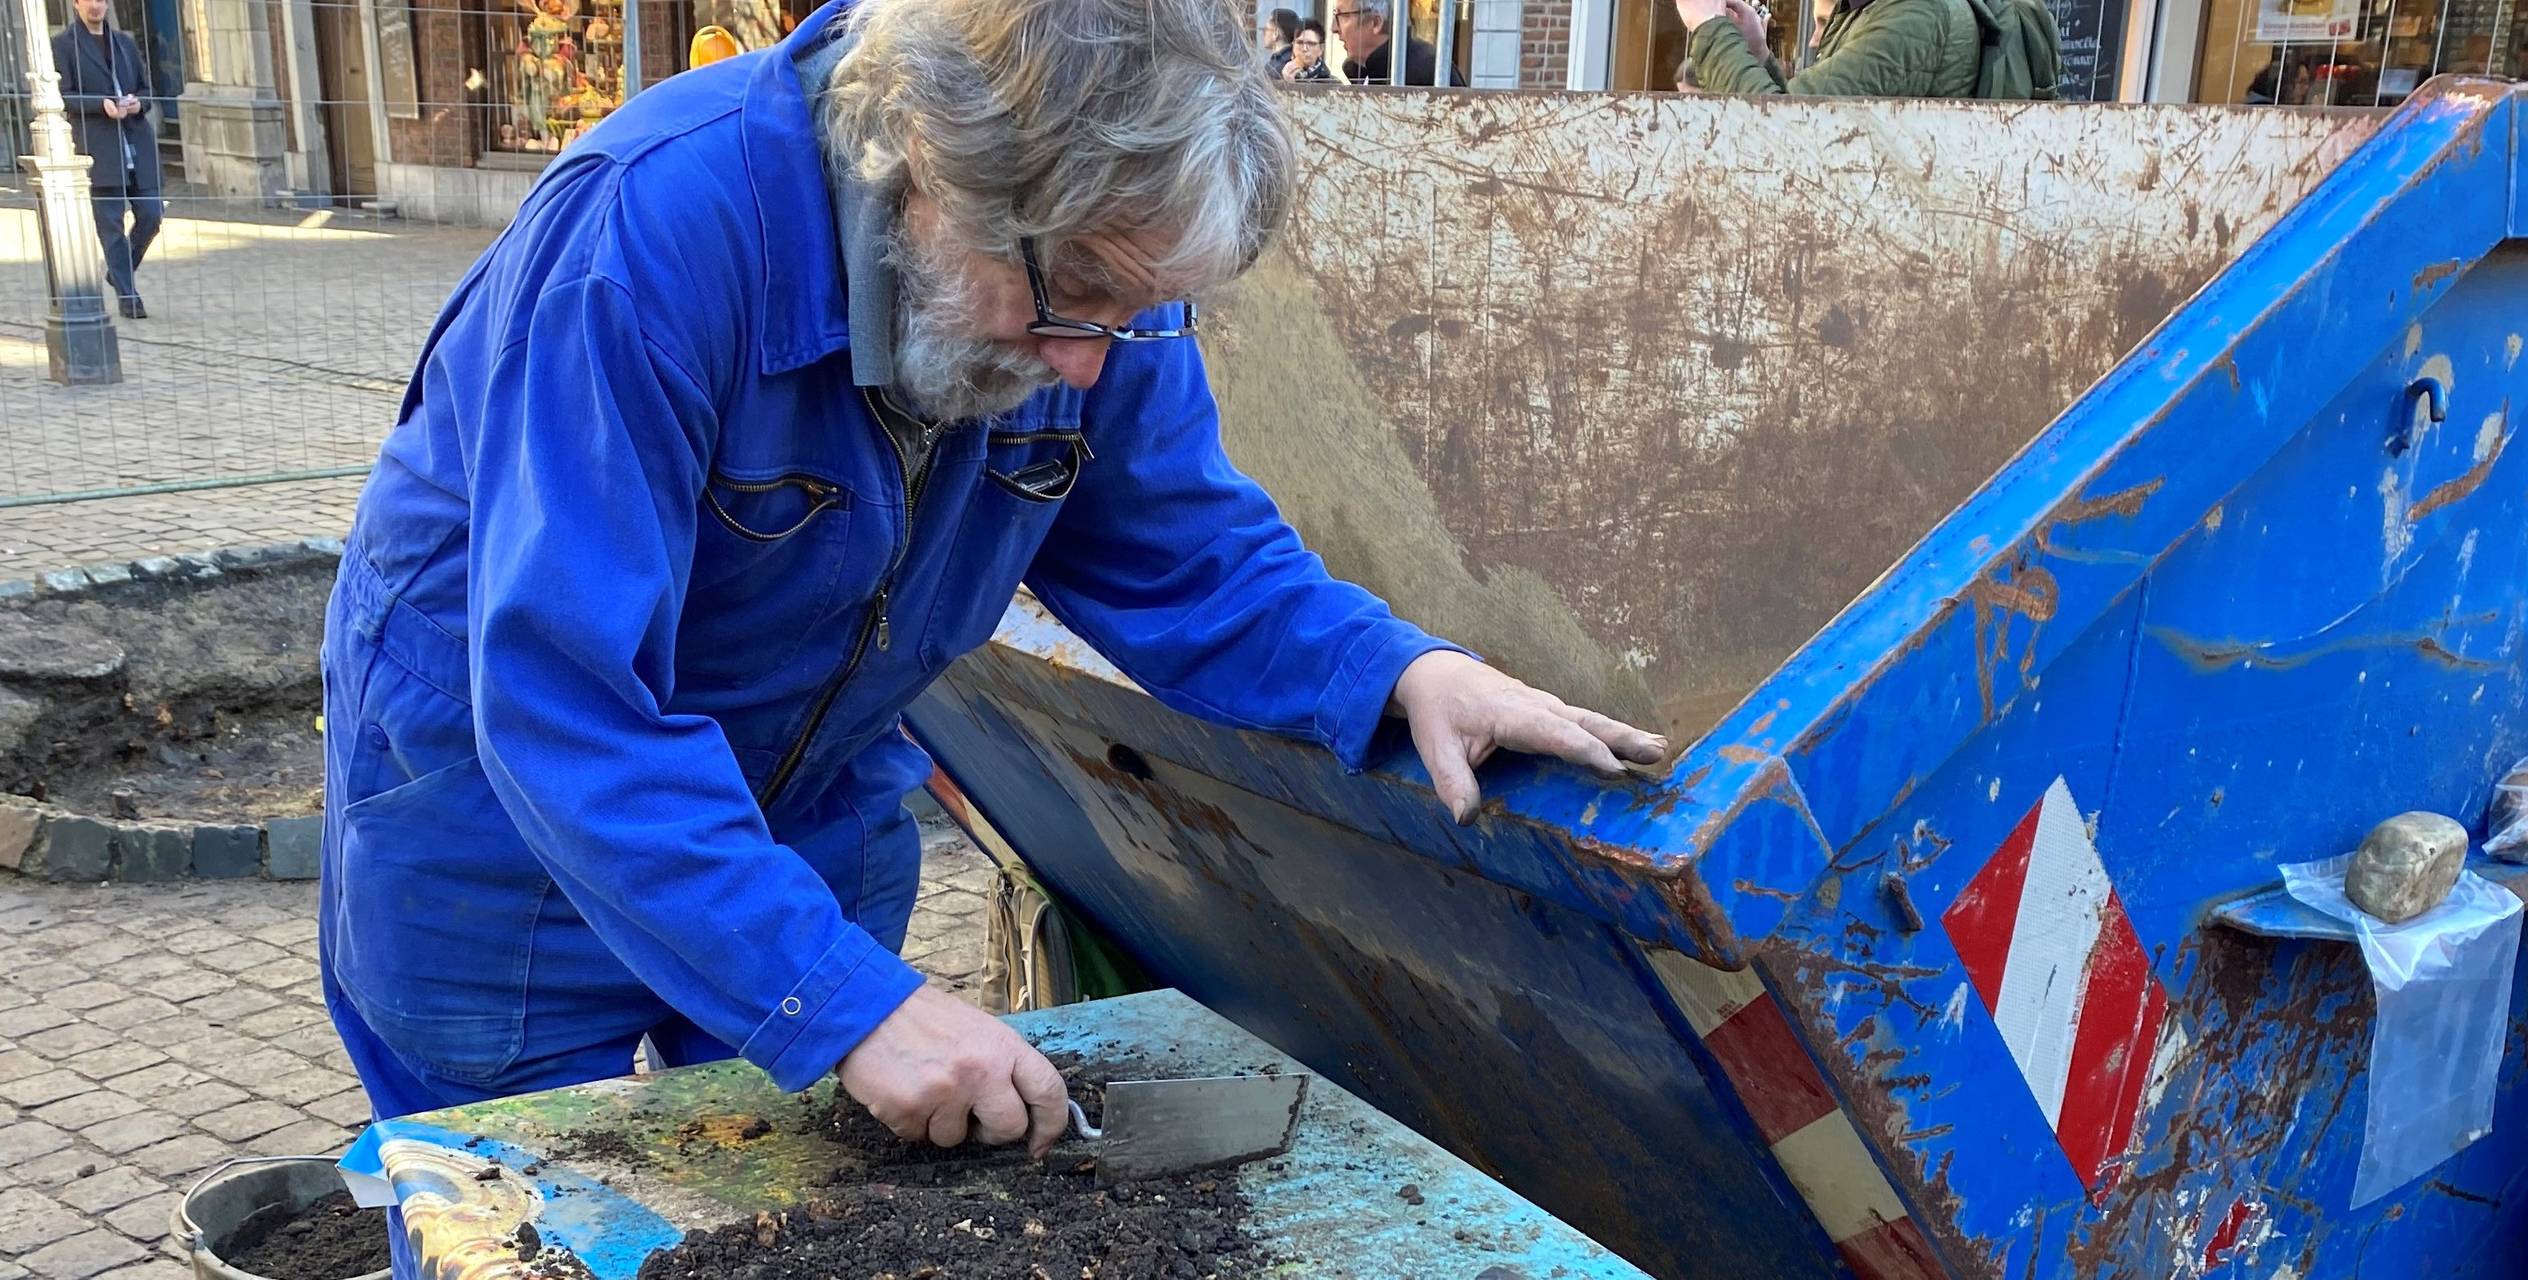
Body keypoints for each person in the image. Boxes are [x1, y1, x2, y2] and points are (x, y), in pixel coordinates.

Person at [318, 0, 1664, 1237]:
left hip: (808, 787)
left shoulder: (1098, 275)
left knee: (784, 1217)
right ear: (921, 161)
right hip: (498, 825)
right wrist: (842, 1006)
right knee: (525, 1233)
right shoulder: (646, 244)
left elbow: (1182, 543)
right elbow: (566, 698)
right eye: (1070, 297)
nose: (1086, 364)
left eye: (1131, 315)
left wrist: (1395, 667)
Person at [51, 0, 163, 319]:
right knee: (111, 226)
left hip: (136, 144)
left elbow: (147, 90)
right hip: (99, 148)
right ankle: (129, 297)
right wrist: (101, 105)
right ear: (76, 3)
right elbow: (63, 96)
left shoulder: (125, 43)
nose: (95, 5)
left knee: (152, 216)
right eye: (88, 0)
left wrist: (137, 104)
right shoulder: (62, 45)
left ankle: (118, 272)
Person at [1675, 0, 1977, 97]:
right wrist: (1758, 56)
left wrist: (1708, 25)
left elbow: (1781, 138)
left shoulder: (1912, 17)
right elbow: (1798, 111)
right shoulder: (1876, 10)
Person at [1335, 0, 1436, 85]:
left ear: (1376, 23)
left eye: (1343, 16)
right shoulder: (1361, 71)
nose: (1334, 28)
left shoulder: (1428, 72)